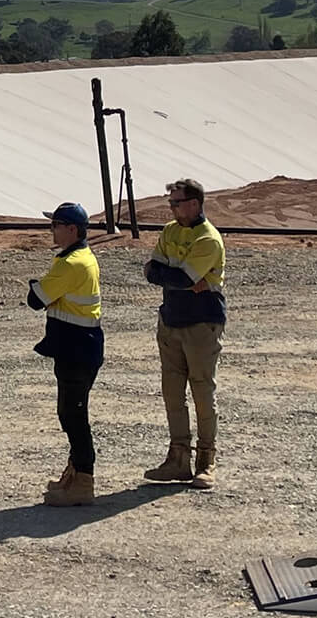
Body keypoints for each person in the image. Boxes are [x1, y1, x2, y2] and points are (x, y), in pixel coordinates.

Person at [142, 177, 227, 490]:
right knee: (172, 392)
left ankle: (206, 461)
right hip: (172, 319)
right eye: (171, 203)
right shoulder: (169, 231)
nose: (172, 208)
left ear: (194, 203)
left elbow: (182, 276)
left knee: (202, 391)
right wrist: (176, 278)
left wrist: (175, 277)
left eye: (176, 203)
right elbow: (153, 270)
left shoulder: (208, 239)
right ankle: (177, 458)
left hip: (201, 322)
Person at [29, 202, 104, 506]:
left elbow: (36, 299)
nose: (52, 230)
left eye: (56, 225)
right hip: (80, 345)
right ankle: (74, 473)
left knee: (73, 414)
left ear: (72, 229)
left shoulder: (69, 263)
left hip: (76, 347)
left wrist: (36, 286)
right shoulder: (82, 257)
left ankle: (84, 480)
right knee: (71, 411)